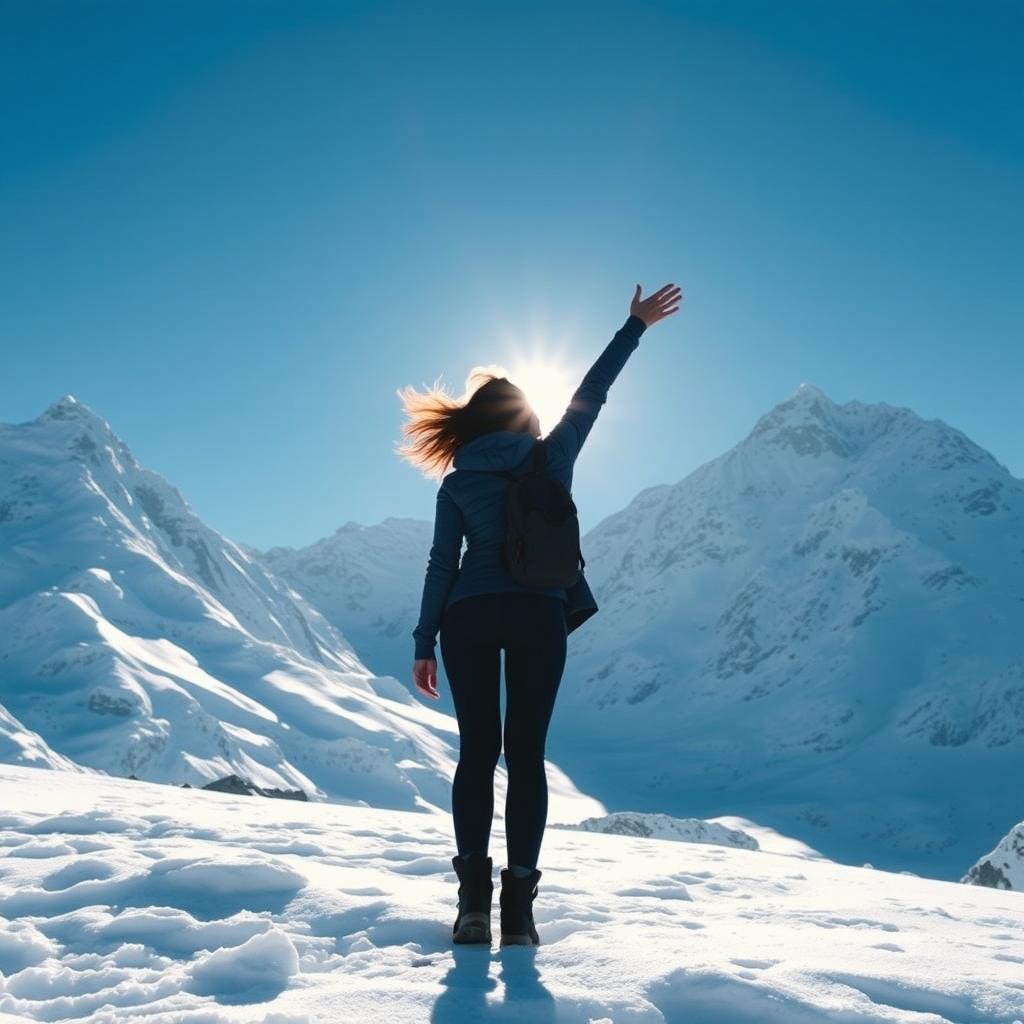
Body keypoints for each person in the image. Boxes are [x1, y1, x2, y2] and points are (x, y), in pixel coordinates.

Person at [396, 282, 682, 946]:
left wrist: (422, 641)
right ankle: (518, 915)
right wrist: (633, 325)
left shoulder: (459, 479)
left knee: (476, 756)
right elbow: (593, 390)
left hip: (466, 616)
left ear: (472, 423)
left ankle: (471, 909)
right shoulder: (553, 456)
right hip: (537, 614)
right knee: (525, 758)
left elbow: (442, 563)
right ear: (525, 417)